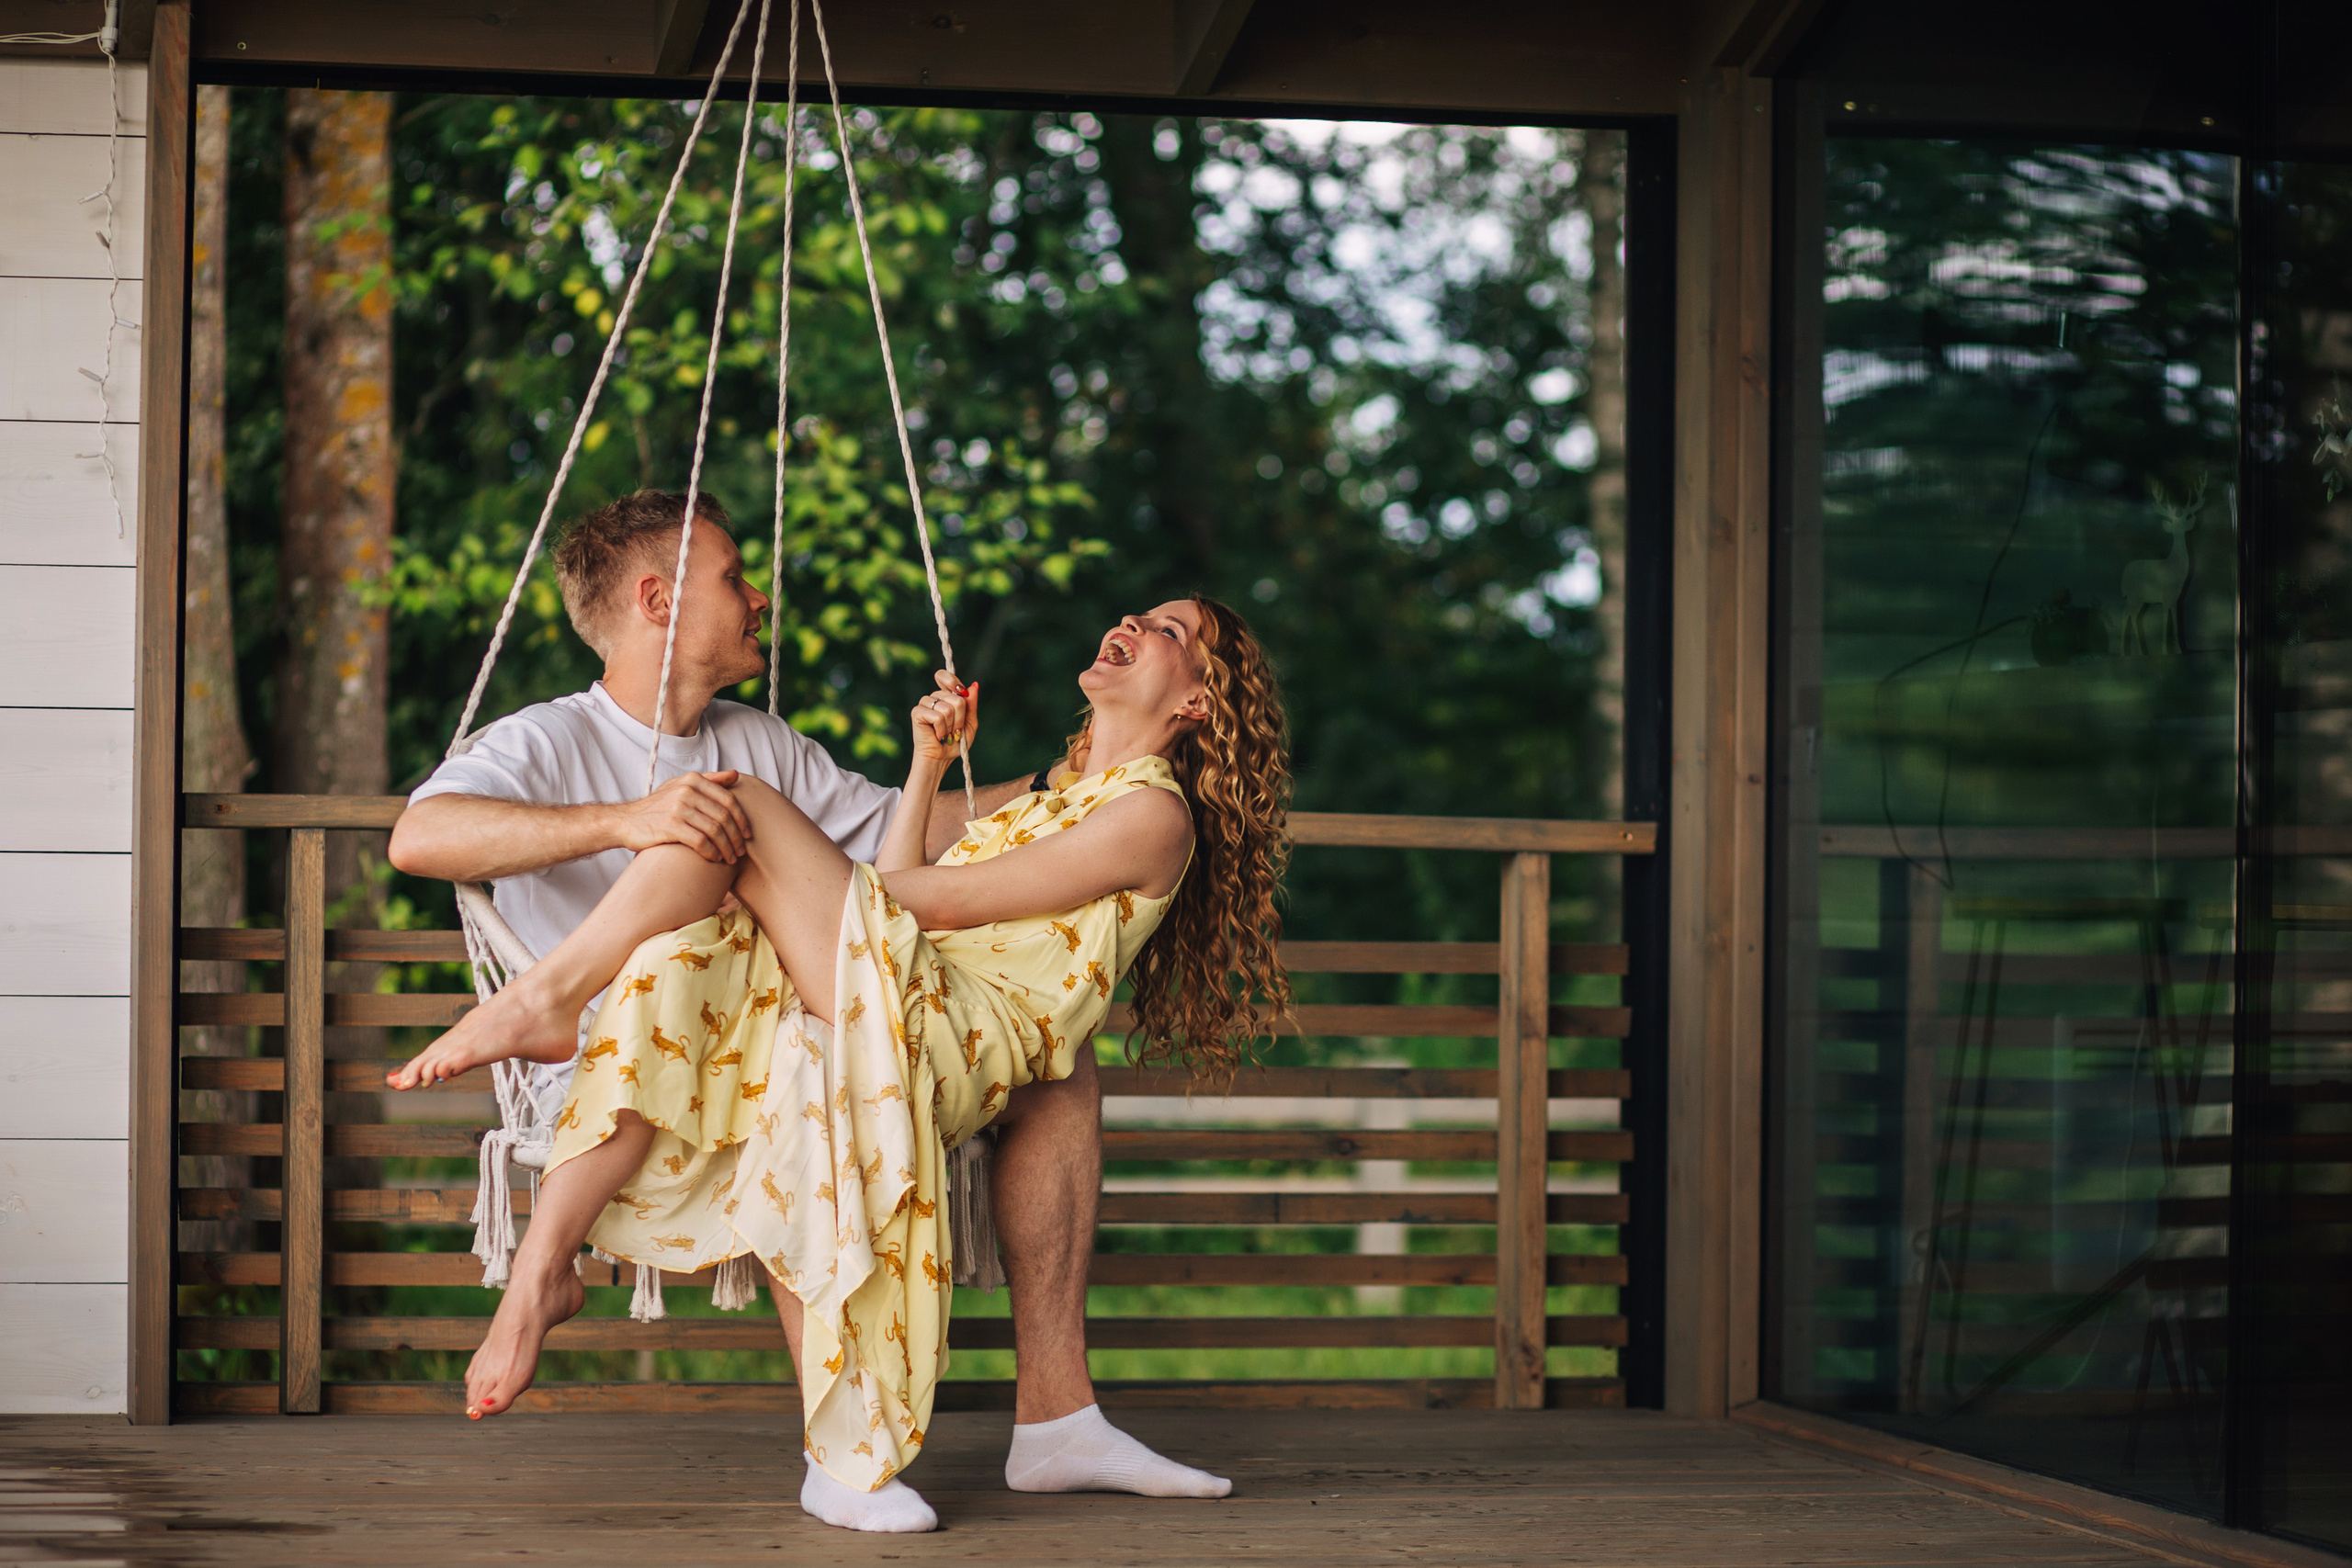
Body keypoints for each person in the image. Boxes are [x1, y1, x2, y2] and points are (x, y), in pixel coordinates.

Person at [390, 490, 1286, 1531]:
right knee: (770, 929)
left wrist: (762, 874)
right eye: (735, 577)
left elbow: (919, 887)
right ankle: (853, 1451)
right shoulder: (546, 740)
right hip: (748, 1024)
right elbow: (420, 838)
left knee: (747, 821)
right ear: (656, 598)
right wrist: (690, 828)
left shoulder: (1135, 812)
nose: (759, 594)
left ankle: (1019, 1422)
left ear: (1196, 706)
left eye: (1169, 629)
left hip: (897, 1012)